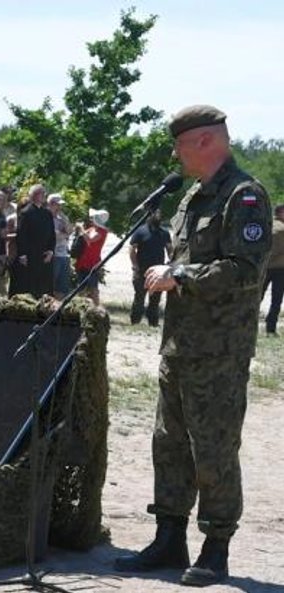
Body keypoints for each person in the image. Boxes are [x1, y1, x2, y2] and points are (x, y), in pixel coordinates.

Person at [114, 105, 272, 587]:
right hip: (180, 346)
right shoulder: (191, 198)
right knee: (169, 445)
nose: (176, 156)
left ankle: (216, 546)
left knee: (214, 450)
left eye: (180, 145)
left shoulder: (244, 198)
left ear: (205, 141)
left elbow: (246, 271)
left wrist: (179, 274)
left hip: (219, 352)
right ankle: (169, 538)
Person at [10, 184, 54, 297]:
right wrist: (23, 254)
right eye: (41, 193)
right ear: (34, 195)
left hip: (43, 255)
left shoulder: (47, 213)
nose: (44, 196)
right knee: (28, 286)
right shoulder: (26, 213)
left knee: (43, 286)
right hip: (30, 255)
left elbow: (51, 234)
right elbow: (22, 234)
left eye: (44, 193)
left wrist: (50, 250)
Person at [129, 209, 171, 326]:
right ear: (149, 215)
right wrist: (135, 266)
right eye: (155, 214)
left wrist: (170, 263)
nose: (158, 216)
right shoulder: (140, 231)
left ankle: (153, 323)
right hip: (142, 271)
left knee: (155, 300)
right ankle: (135, 322)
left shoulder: (164, 233)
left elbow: (170, 249)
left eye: (159, 214)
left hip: (158, 273)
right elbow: (132, 249)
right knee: (139, 298)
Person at [72, 208, 109, 305]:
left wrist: (81, 229)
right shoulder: (92, 229)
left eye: (93, 218)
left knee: (93, 289)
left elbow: (90, 239)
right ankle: (81, 306)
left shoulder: (102, 232)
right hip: (83, 261)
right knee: (81, 287)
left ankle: (97, 308)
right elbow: (82, 236)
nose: (91, 219)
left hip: (92, 263)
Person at [47, 193, 75, 298]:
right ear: (50, 204)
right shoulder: (46, 217)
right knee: (51, 284)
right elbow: (55, 236)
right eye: (57, 205)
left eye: (60, 205)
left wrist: (64, 218)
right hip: (53, 255)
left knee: (62, 286)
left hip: (63, 254)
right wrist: (65, 234)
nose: (59, 207)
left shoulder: (61, 218)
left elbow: (69, 231)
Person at [262, 204, 284, 335]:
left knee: (258, 296)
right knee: (276, 299)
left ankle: (247, 324)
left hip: (265, 267)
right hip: (279, 269)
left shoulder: (267, 225)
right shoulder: (281, 229)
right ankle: (270, 328)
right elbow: (275, 250)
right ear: (281, 212)